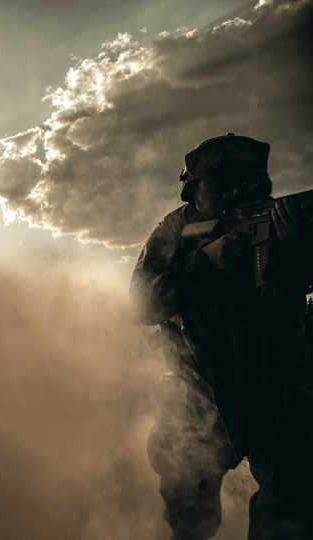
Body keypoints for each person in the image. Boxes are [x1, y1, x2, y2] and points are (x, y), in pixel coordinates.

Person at [130, 133, 313, 540]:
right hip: (198, 392)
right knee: (190, 516)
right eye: (219, 185)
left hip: (277, 390)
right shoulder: (174, 232)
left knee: (290, 514)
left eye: (248, 183)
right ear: (190, 191)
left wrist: (301, 248)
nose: (234, 194)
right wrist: (205, 262)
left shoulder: (284, 219)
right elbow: (141, 306)